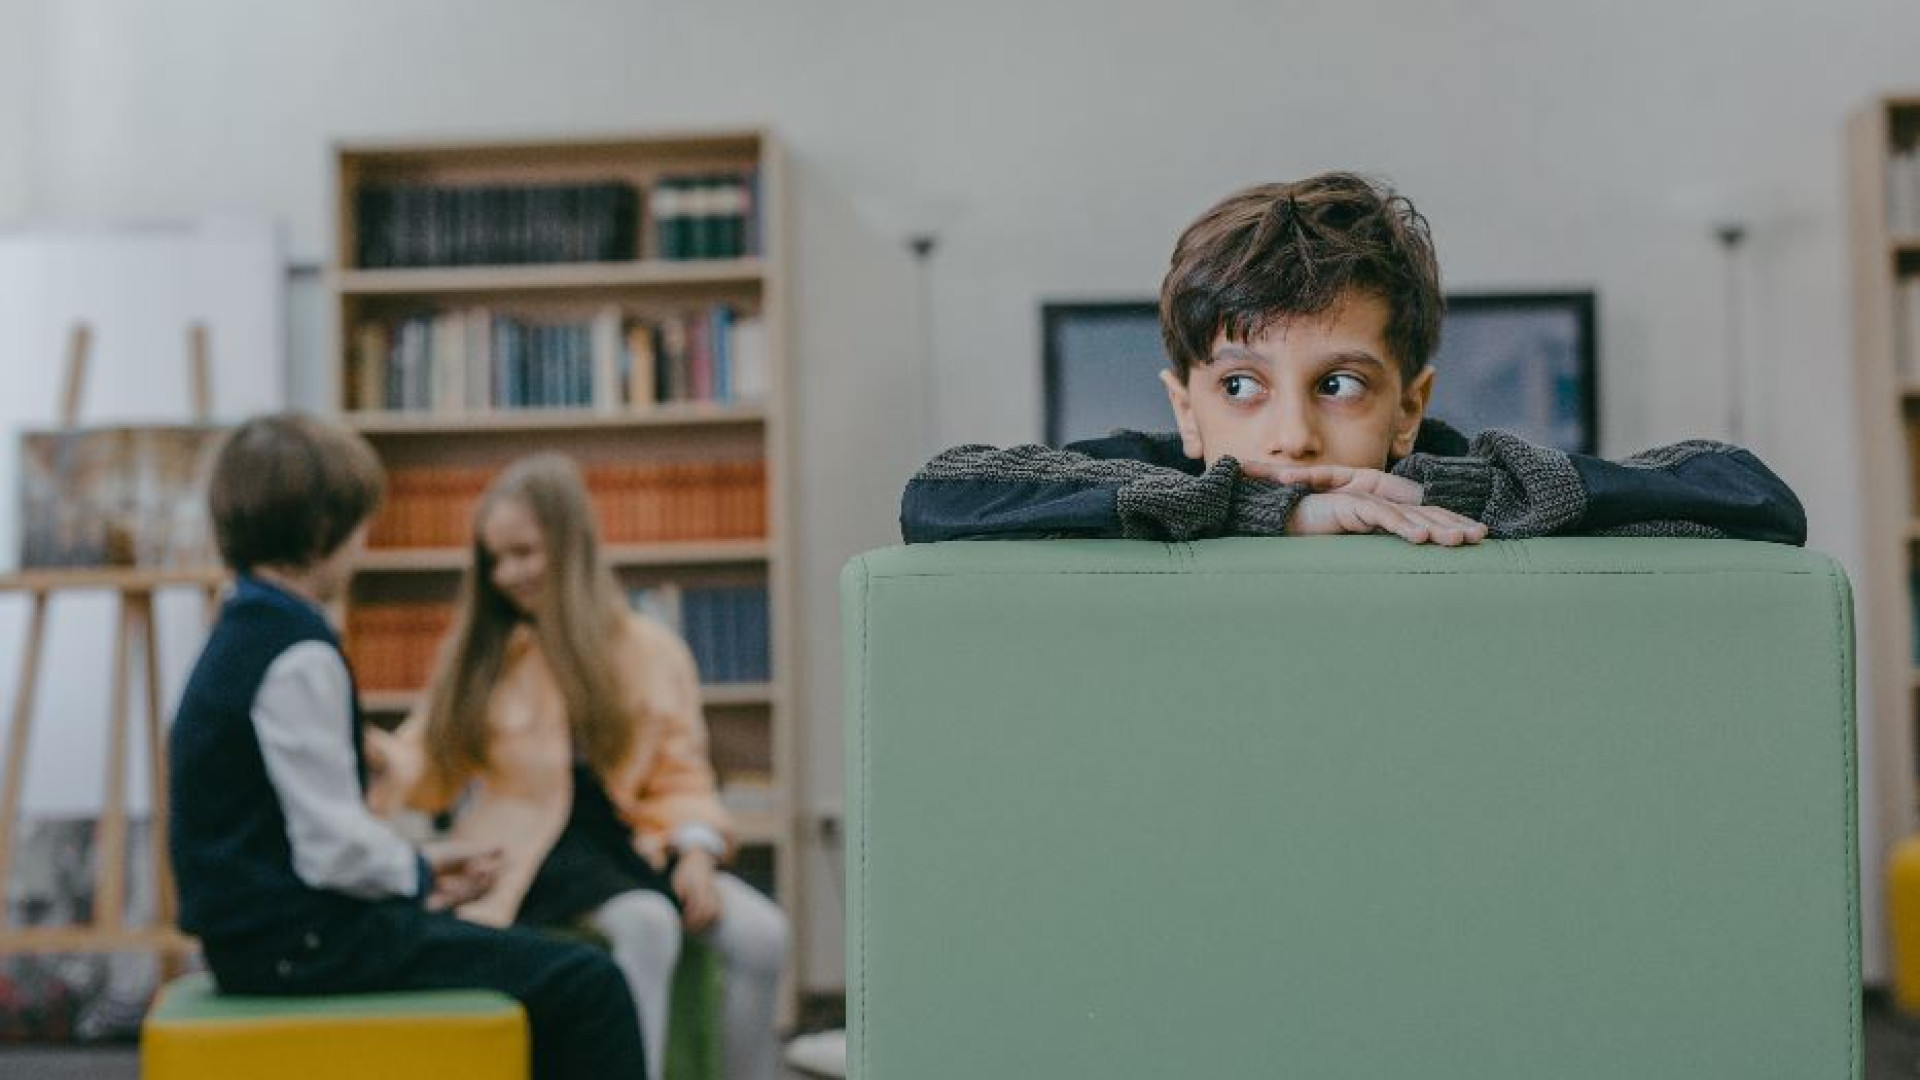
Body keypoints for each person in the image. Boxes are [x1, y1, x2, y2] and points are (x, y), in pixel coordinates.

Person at [900, 172, 1805, 546]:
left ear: (1409, 406)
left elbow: (1754, 497)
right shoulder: (1155, 478)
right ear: (1187, 407)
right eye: (1241, 386)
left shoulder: (1452, 486)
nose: (1291, 437)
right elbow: (936, 497)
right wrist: (1268, 511)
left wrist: (1414, 502)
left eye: (1338, 385)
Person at [168, 412, 646, 1080]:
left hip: (258, 938)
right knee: (588, 984)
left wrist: (419, 870)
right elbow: (332, 847)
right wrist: (419, 874)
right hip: (301, 946)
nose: (365, 545)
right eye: (361, 526)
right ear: (320, 533)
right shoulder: (298, 653)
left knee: (540, 969)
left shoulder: (242, 630)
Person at [367, 452, 790, 1080]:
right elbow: (425, 763)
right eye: (495, 560)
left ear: (571, 546)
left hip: (636, 845)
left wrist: (696, 852)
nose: (509, 573)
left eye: (525, 552)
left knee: (765, 935)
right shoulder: (486, 655)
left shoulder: (649, 650)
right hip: (532, 854)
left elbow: (681, 773)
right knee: (648, 925)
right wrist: (369, 752)